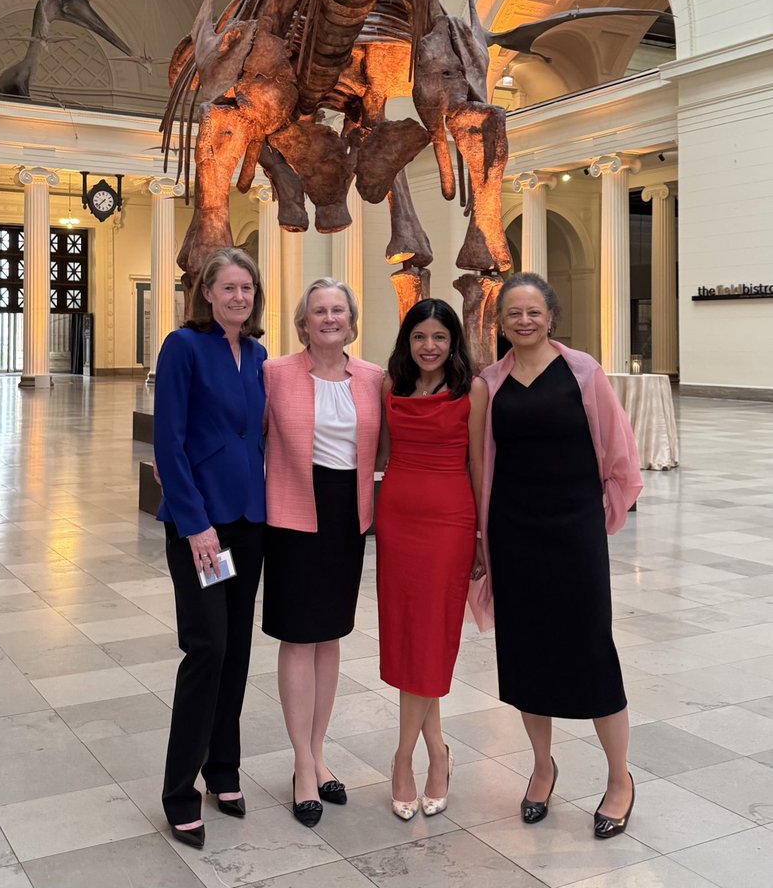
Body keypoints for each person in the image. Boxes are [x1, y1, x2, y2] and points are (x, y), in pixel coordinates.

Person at [473, 271, 642, 839]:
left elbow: (617, 448)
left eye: (533, 312)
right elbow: (481, 464)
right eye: (513, 313)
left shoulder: (582, 371)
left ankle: (620, 778)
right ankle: (543, 767)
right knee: (525, 653)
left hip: (573, 531)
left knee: (591, 648)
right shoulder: (490, 382)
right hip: (514, 532)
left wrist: (605, 512)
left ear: (551, 317)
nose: (523, 320)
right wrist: (480, 536)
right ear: (500, 322)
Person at [153, 247, 267, 850]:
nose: (239, 297)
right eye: (228, 287)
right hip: (204, 530)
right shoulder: (183, 348)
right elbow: (168, 444)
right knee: (208, 647)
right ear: (206, 293)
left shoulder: (257, 355)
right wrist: (197, 526)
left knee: (239, 650)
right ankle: (179, 791)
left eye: (247, 288)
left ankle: (223, 767)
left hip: (249, 525)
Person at [263, 278, 383, 827]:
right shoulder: (275, 375)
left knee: (330, 634)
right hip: (292, 512)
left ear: (351, 320)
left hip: (345, 516)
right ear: (303, 322)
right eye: (319, 311)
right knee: (298, 635)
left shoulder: (373, 379)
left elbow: (386, 448)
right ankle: (302, 765)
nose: (329, 318)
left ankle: (319, 752)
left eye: (338, 310)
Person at [376, 298, 487, 821]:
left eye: (439, 337)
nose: (429, 346)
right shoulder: (390, 387)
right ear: (407, 340)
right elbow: (375, 452)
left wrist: (483, 532)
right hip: (398, 520)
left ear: (453, 342)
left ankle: (404, 757)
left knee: (432, 635)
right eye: (419, 336)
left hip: (449, 521)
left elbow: (478, 464)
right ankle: (437, 750)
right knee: (407, 632)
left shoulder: (473, 391)